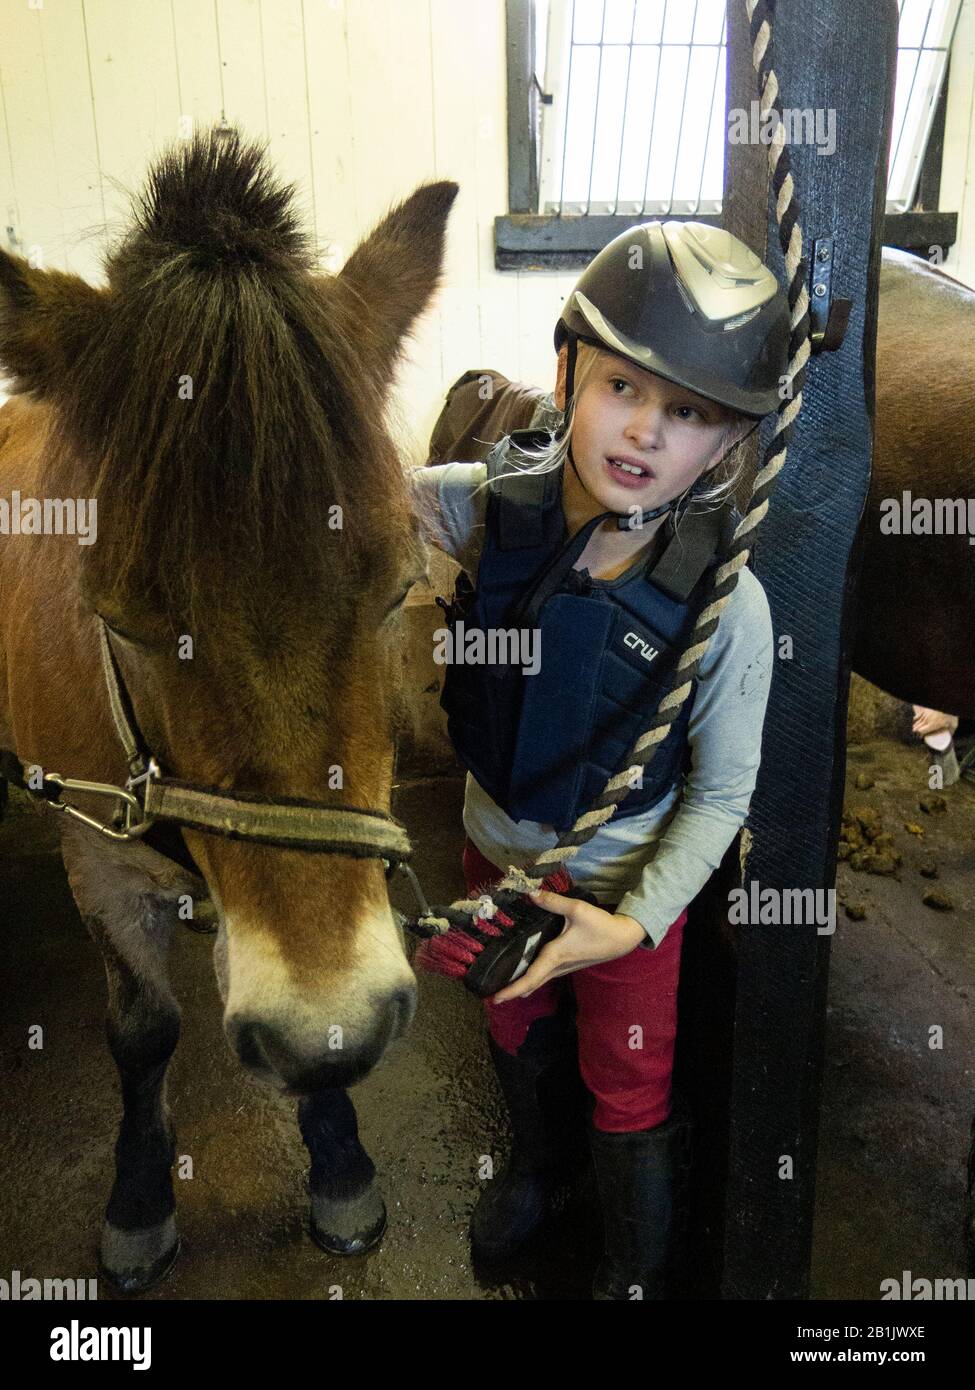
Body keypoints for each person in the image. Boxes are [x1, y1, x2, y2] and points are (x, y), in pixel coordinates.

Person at [411, 220, 791, 1299]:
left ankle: (635, 1257)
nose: (644, 431)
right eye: (622, 386)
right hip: (497, 858)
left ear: (724, 445)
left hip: (625, 887)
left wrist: (630, 920)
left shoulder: (729, 607)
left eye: (688, 413)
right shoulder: (482, 511)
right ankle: (536, 1172)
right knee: (510, 1008)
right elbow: (355, 495)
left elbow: (721, 794)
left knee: (629, 1069)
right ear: (568, 369)